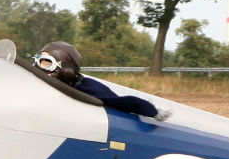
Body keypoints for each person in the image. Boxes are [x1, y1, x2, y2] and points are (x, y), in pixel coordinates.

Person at [31, 41, 163, 118]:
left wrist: (151, 110)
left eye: (46, 63)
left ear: (64, 71)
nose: (38, 67)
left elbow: (125, 102)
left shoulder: (87, 89)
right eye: (38, 60)